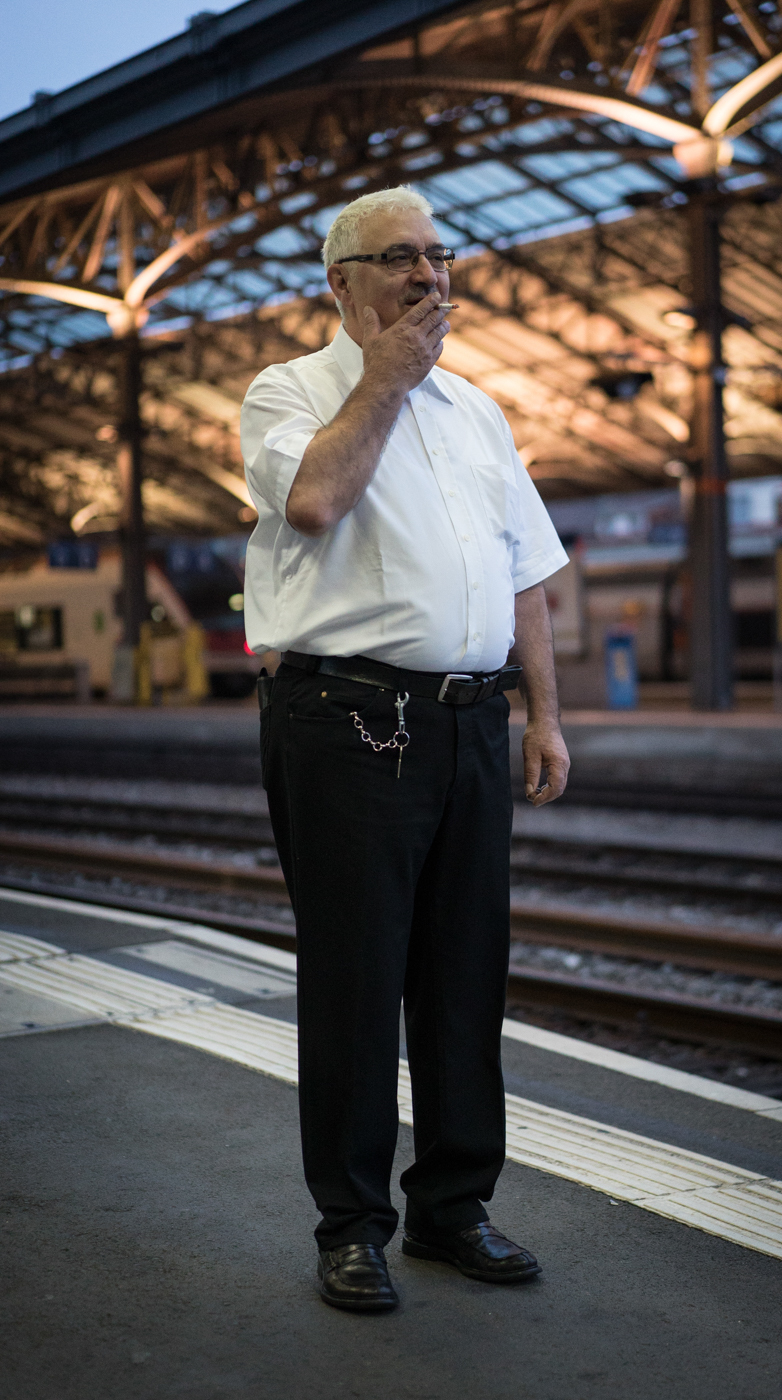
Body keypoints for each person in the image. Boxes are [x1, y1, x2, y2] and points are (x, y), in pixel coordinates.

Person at [241, 186, 570, 1313]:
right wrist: (385, 376)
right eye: (399, 259)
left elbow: (524, 569)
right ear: (340, 284)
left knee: (466, 972)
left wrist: (547, 711)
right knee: (356, 978)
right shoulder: (289, 391)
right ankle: (351, 1223)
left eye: (440, 256)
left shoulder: (481, 410)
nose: (431, 276)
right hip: (349, 724)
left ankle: (451, 1206)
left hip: (474, 721)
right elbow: (318, 499)